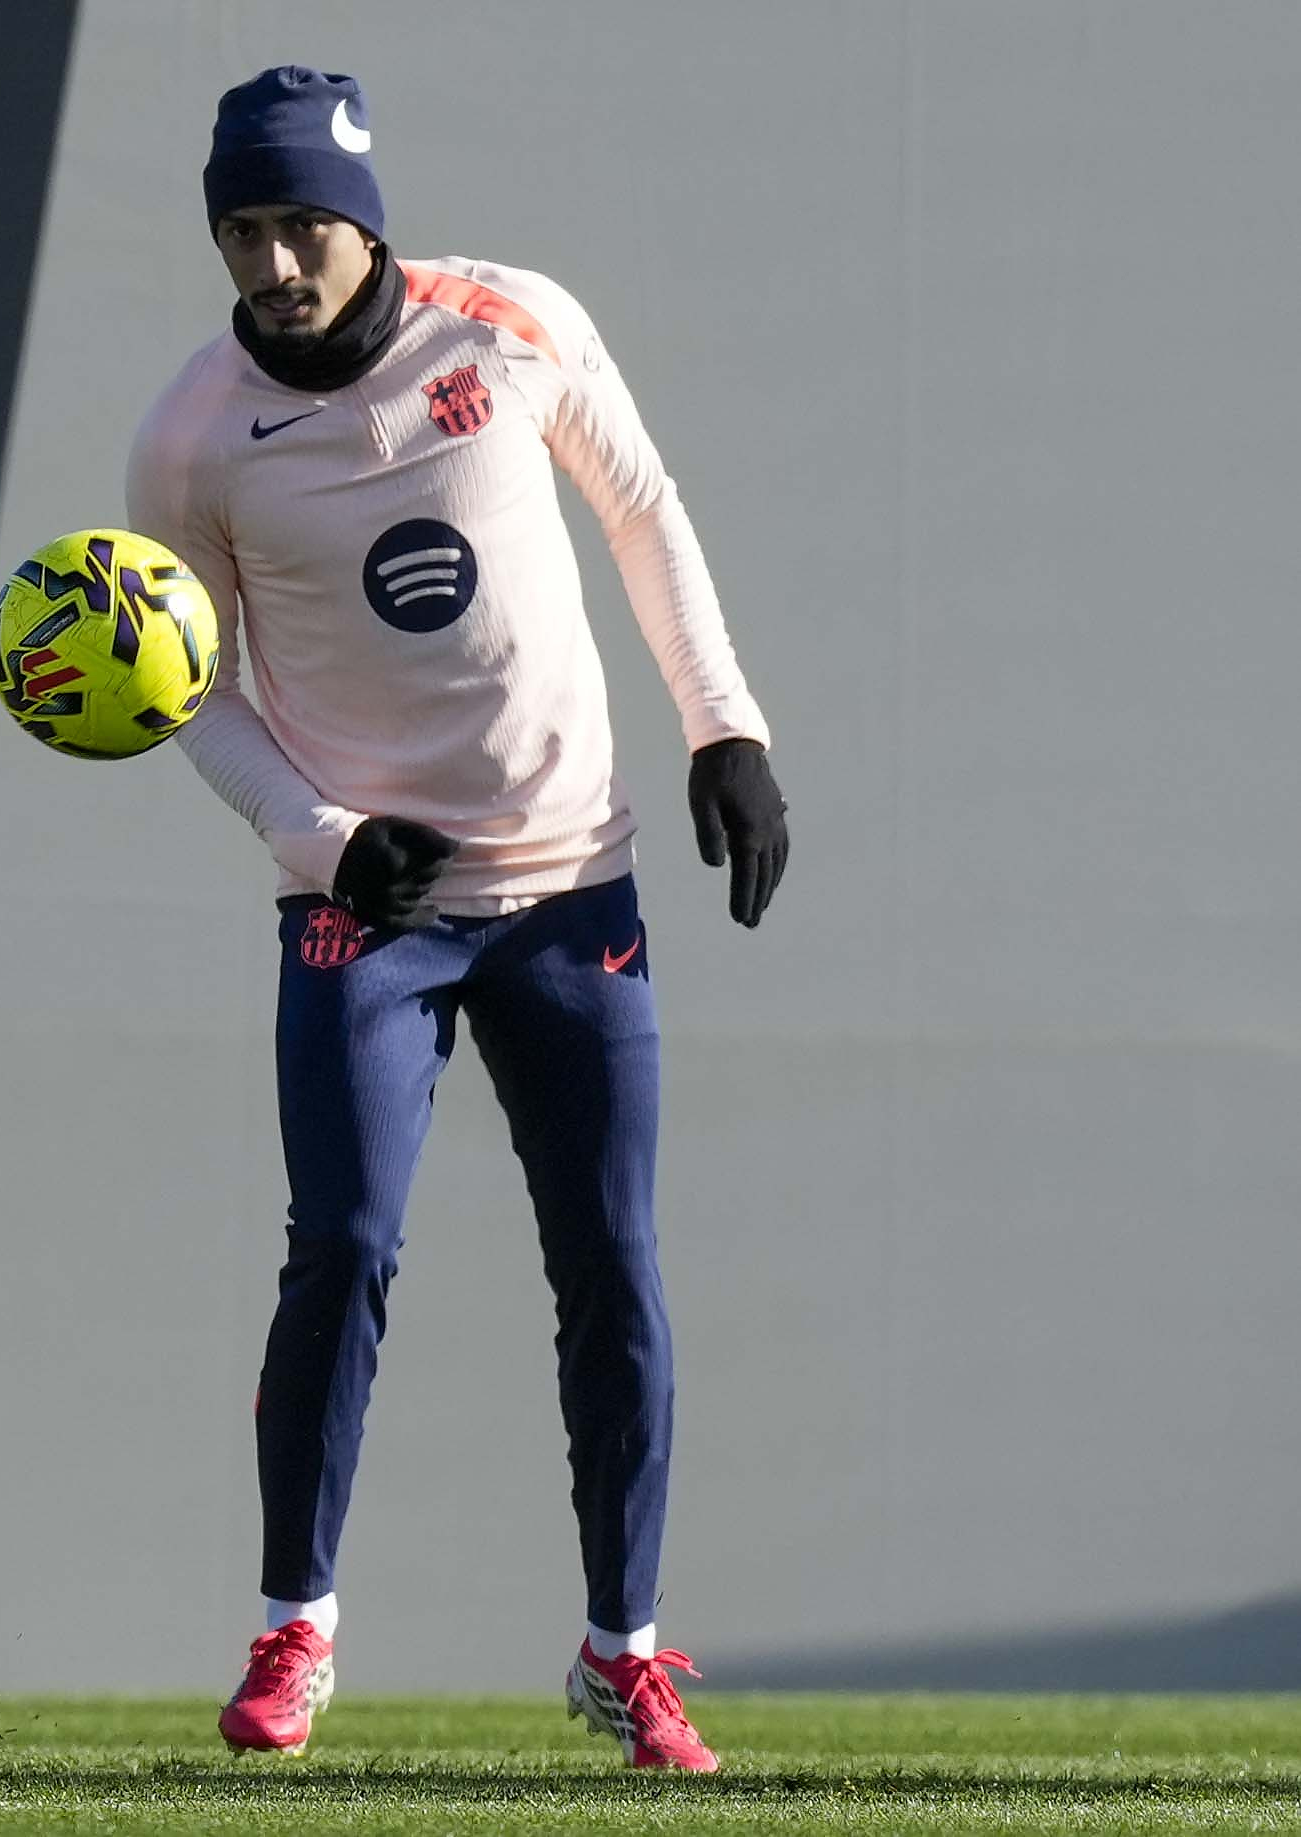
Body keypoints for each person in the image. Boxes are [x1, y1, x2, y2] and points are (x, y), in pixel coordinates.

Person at [126, 66, 790, 1771]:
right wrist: (324, 836)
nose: (274, 264)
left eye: (303, 225)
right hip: (368, 914)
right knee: (343, 1244)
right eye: (242, 230)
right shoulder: (193, 433)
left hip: (572, 886)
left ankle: (623, 1651)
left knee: (613, 1265)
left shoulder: (512, 322)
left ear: (368, 221)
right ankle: (293, 1629)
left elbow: (644, 510)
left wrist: (725, 728)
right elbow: (188, 687)